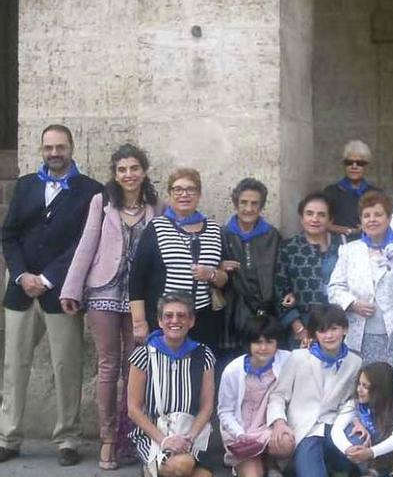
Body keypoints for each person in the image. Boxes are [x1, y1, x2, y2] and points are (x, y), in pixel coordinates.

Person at [0, 124, 102, 466]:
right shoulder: (26, 185)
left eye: (60, 147)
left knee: (66, 366)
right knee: (14, 365)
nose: (54, 153)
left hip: (61, 292)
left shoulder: (91, 191)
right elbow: (9, 234)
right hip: (20, 291)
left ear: (72, 147)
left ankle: (68, 439)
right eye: (48, 148)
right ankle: (8, 435)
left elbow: (84, 244)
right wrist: (21, 274)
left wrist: (47, 277)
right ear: (41, 150)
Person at [59, 144, 161, 470]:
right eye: (122, 169)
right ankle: (107, 437)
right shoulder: (102, 202)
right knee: (108, 366)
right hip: (104, 289)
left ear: (144, 171)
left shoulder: (157, 205)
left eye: (134, 168)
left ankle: (129, 435)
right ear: (115, 174)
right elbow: (87, 244)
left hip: (140, 297)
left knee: (135, 367)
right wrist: (71, 288)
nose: (128, 175)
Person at [328, 190, 393, 398]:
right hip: (359, 336)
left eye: (378, 215)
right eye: (366, 216)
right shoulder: (350, 250)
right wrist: (352, 304)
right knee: (361, 391)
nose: (372, 220)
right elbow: (334, 288)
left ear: (388, 218)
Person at [129, 168, 228, 351]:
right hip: (166, 321)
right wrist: (139, 322)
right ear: (170, 194)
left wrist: (212, 274)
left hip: (203, 320)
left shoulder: (215, 230)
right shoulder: (156, 228)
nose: (184, 195)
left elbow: (225, 278)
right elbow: (136, 279)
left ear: (199, 194)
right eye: (178, 189)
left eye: (191, 189)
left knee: (200, 372)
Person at [126, 292, 216, 477]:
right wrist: (164, 440)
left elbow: (207, 407)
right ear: (159, 321)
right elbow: (133, 409)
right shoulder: (143, 356)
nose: (175, 320)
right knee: (182, 466)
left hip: (190, 431)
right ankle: (155, 466)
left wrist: (189, 438)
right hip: (154, 433)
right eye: (168, 315)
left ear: (191, 321)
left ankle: (155, 472)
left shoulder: (204, 355)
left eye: (182, 315)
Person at [267, 305, 362, 477]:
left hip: (335, 425)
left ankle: (335, 465)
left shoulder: (355, 362)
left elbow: (351, 399)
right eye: (322, 330)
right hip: (306, 428)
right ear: (314, 334)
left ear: (345, 330)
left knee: (357, 447)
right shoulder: (298, 357)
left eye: (334, 329)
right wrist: (279, 422)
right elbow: (278, 395)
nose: (329, 335)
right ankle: (300, 464)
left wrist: (356, 419)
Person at [217, 314, 294, 477]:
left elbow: (308, 358)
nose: (264, 348)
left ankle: (271, 461)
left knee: (286, 443)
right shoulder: (233, 371)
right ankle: (248, 463)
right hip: (242, 432)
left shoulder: (287, 360)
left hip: (270, 429)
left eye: (269, 342)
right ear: (248, 343)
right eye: (258, 342)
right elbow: (225, 411)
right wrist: (240, 434)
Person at [219, 178, 281, 351]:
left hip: (265, 311)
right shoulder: (223, 235)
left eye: (255, 203)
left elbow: (279, 272)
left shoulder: (272, 236)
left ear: (261, 207)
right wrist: (220, 267)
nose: (248, 209)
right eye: (244, 202)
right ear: (235, 203)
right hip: (232, 312)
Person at [274, 193, 343, 348]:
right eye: (309, 213)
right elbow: (280, 291)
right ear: (301, 217)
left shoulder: (342, 247)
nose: (314, 219)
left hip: (337, 326)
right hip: (302, 328)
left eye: (321, 215)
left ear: (330, 219)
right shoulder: (289, 248)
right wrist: (298, 328)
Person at [331, 362, 393, 477]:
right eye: (359, 384)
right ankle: (371, 470)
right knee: (355, 432)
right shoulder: (354, 402)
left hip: (389, 452)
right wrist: (348, 448)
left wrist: (372, 452)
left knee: (392, 429)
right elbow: (336, 429)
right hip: (368, 448)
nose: (359, 389)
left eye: (365, 386)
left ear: (380, 390)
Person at [324, 140, 379, 239]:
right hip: (338, 244)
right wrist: (348, 231)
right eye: (349, 162)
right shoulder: (330, 192)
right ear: (344, 165)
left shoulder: (376, 193)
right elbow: (322, 222)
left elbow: (383, 221)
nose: (354, 166)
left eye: (360, 163)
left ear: (366, 166)